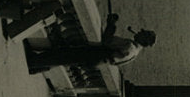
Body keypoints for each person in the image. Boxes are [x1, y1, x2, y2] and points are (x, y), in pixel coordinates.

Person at [23, 14, 156, 72]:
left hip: (96, 55)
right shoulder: (135, 53)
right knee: (65, 59)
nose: (138, 32)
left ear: (144, 40)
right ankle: (37, 67)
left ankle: (34, 61)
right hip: (98, 62)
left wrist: (111, 24)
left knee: (64, 55)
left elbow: (106, 40)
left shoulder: (129, 45)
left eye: (142, 33)